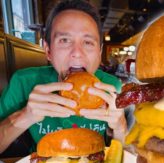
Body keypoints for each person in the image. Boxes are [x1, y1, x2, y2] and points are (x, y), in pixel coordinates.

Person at [0, 0, 127, 154]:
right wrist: (24, 116)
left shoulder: (112, 86)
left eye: (88, 42)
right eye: (65, 40)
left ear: (100, 53)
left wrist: (120, 128)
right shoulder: (23, 82)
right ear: (48, 51)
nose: (77, 52)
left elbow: (124, 157)